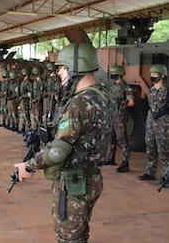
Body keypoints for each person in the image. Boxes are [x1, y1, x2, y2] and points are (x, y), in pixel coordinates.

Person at [15, 43, 113, 243]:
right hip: (92, 177)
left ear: (75, 69)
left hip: (74, 182)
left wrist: (29, 166)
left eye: (62, 67)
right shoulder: (102, 96)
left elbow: (58, 152)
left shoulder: (78, 103)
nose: (59, 72)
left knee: (68, 238)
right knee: (80, 234)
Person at [137, 64, 169, 182]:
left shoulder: (166, 91)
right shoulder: (151, 90)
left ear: (162, 76)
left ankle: (167, 175)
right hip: (151, 121)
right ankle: (150, 172)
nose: (152, 76)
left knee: (164, 149)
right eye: (151, 74)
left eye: (154, 74)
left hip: (163, 123)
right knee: (150, 146)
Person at [105, 64, 135, 172]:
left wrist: (122, 103)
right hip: (112, 116)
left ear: (119, 74)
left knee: (122, 140)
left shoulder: (126, 87)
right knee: (111, 138)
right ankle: (110, 158)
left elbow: (131, 102)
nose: (112, 75)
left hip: (120, 118)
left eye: (114, 74)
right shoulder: (113, 87)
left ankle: (125, 163)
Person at [18, 68, 32, 133]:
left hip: (25, 101)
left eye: (23, 72)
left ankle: (27, 129)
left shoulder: (28, 82)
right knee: (23, 115)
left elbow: (29, 93)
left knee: (26, 115)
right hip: (22, 101)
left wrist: (23, 96)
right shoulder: (23, 81)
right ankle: (23, 128)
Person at [30, 66, 45, 130]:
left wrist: (37, 99)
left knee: (38, 116)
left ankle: (40, 130)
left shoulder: (41, 81)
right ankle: (35, 130)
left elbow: (41, 92)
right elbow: (33, 91)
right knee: (33, 116)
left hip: (38, 101)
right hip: (34, 101)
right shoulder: (34, 81)